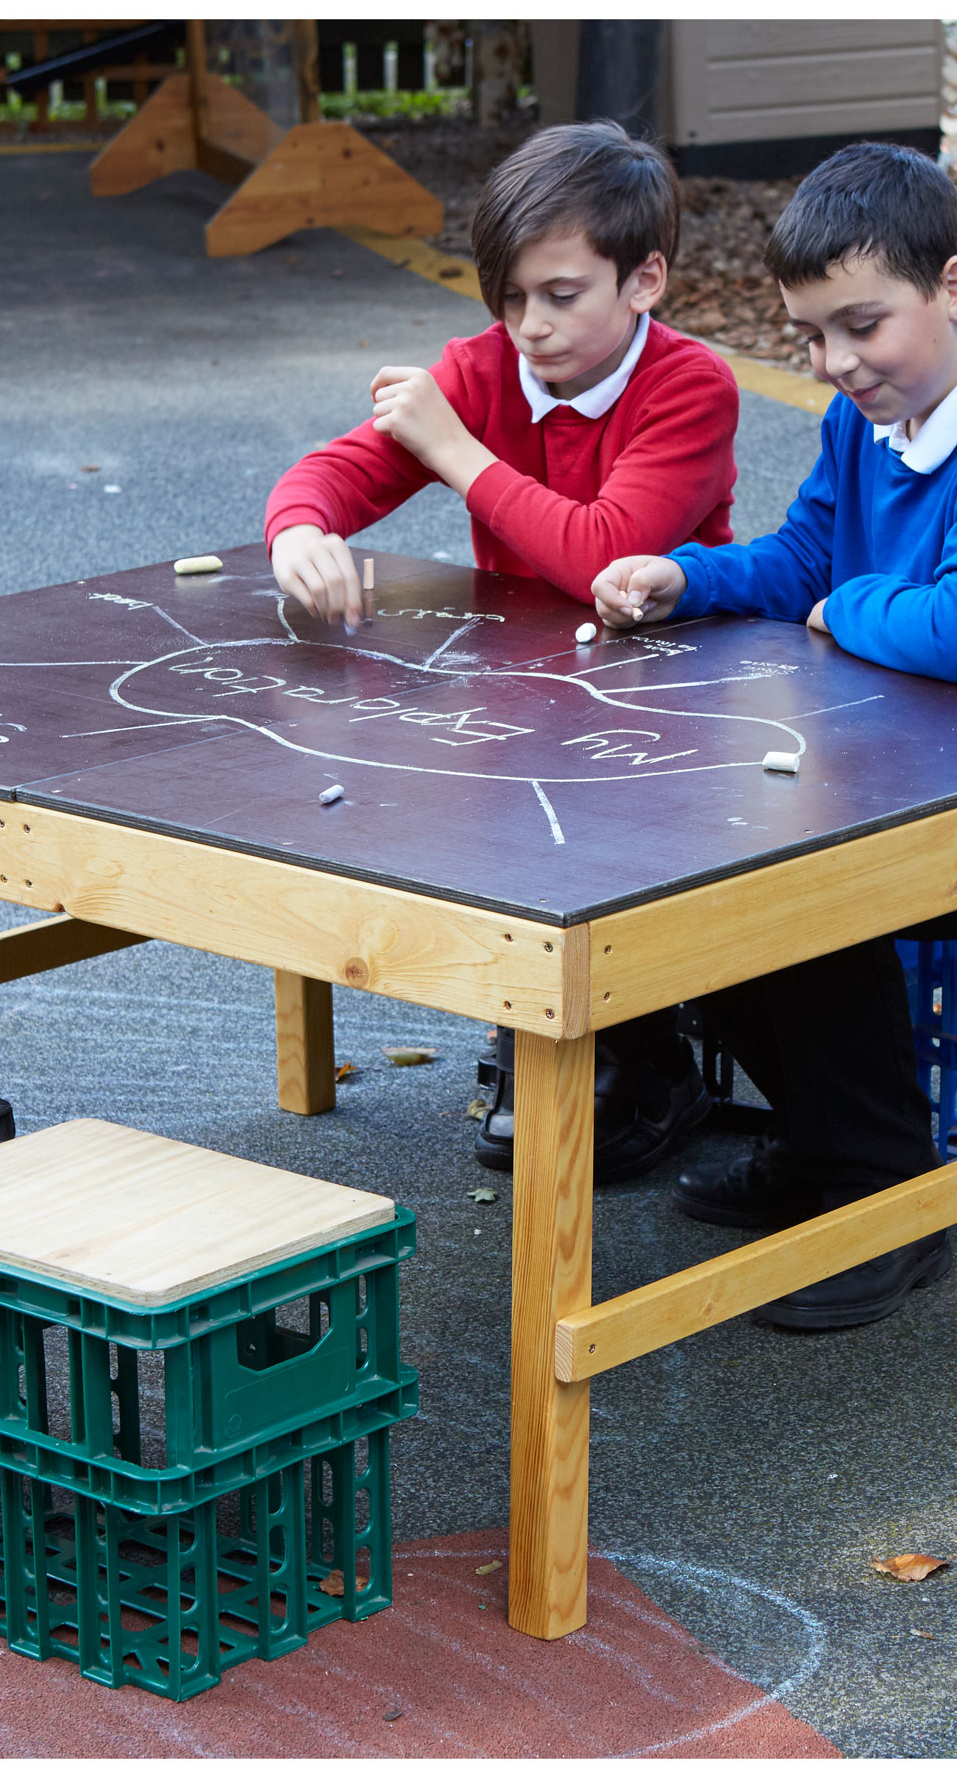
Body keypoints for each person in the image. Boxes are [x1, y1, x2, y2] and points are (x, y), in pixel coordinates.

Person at [590, 141, 957, 1326]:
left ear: (953, 287)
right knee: (703, 862)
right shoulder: (873, 415)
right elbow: (804, 555)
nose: (837, 363)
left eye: (861, 326)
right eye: (811, 336)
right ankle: (825, 1147)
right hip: (922, 763)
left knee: (809, 891)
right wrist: (688, 578)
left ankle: (887, 1201)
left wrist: (847, 606)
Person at [265, 118, 738, 1182]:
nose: (529, 326)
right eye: (509, 297)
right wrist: (301, 530)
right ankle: (545, 1037)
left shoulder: (690, 385)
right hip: (532, 682)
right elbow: (330, 476)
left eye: (562, 295)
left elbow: (606, 554)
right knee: (470, 810)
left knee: (614, 855)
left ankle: (649, 1056)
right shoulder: (479, 372)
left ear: (643, 280)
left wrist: (451, 447)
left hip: (675, 685)